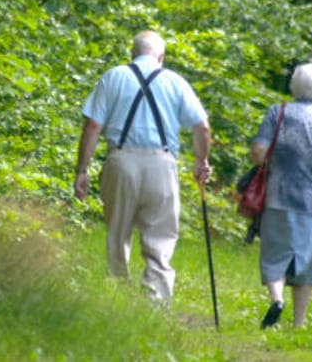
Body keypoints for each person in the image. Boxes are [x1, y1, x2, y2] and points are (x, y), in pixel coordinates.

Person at [74, 30, 212, 305]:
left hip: (121, 162)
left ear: (132, 53)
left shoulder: (113, 76)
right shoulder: (175, 81)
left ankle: (117, 296)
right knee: (160, 237)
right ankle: (155, 304)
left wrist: (81, 170)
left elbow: (92, 126)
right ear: (160, 56)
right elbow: (202, 126)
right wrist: (201, 161)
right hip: (161, 164)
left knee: (118, 231)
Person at [249, 62, 312, 328]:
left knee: (274, 256)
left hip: (278, 197)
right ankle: (298, 322)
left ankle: (276, 299)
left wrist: (270, 162)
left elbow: (258, 151)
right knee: (306, 265)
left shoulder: (277, 112)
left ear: (293, 86)